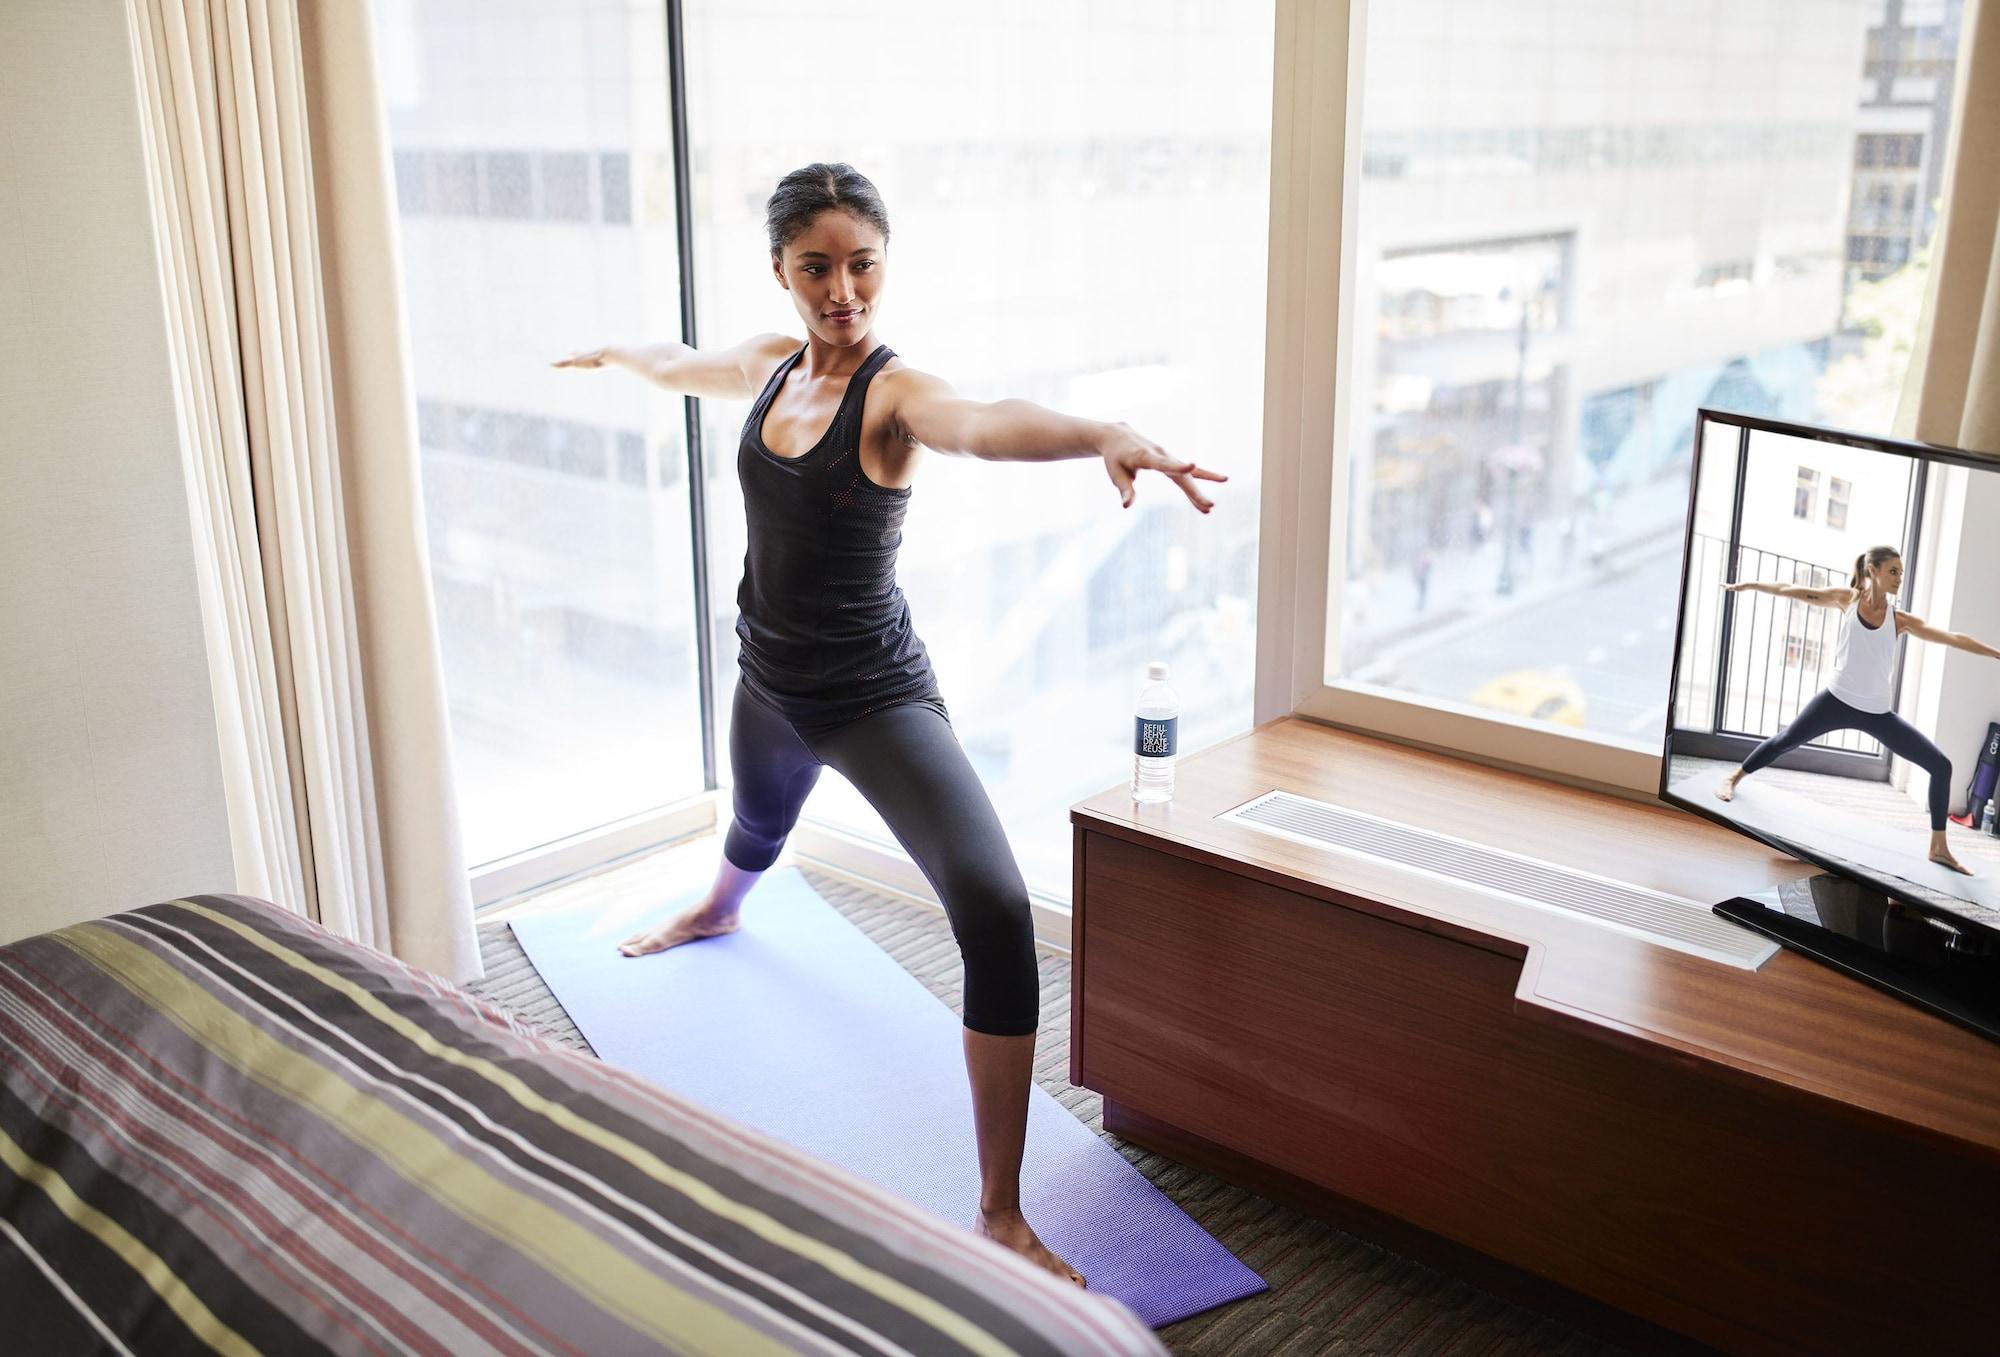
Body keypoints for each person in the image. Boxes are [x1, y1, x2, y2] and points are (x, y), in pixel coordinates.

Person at [553, 163, 1226, 1289]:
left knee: (997, 907)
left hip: (873, 698)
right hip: (765, 676)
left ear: (883, 264)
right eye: (816, 266)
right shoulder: (770, 368)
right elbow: (679, 364)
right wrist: (616, 354)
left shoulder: (894, 394)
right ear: (780, 270)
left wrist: (1106, 431)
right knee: (756, 824)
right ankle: (718, 909)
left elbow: (984, 422)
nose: (842, 289)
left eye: (861, 263)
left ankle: (1000, 1209)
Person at [1714, 544, 2000, 876]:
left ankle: (1938, 846)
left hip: (1876, 713)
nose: (1898, 578)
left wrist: (1995, 653)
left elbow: (1951, 638)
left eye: (1901, 573)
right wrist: (1749, 586)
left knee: (1941, 766)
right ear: (1873, 571)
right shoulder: (1845, 599)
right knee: (1786, 740)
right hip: (1835, 701)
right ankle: (1734, 777)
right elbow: (1791, 590)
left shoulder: (1899, 619)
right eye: (1893, 571)